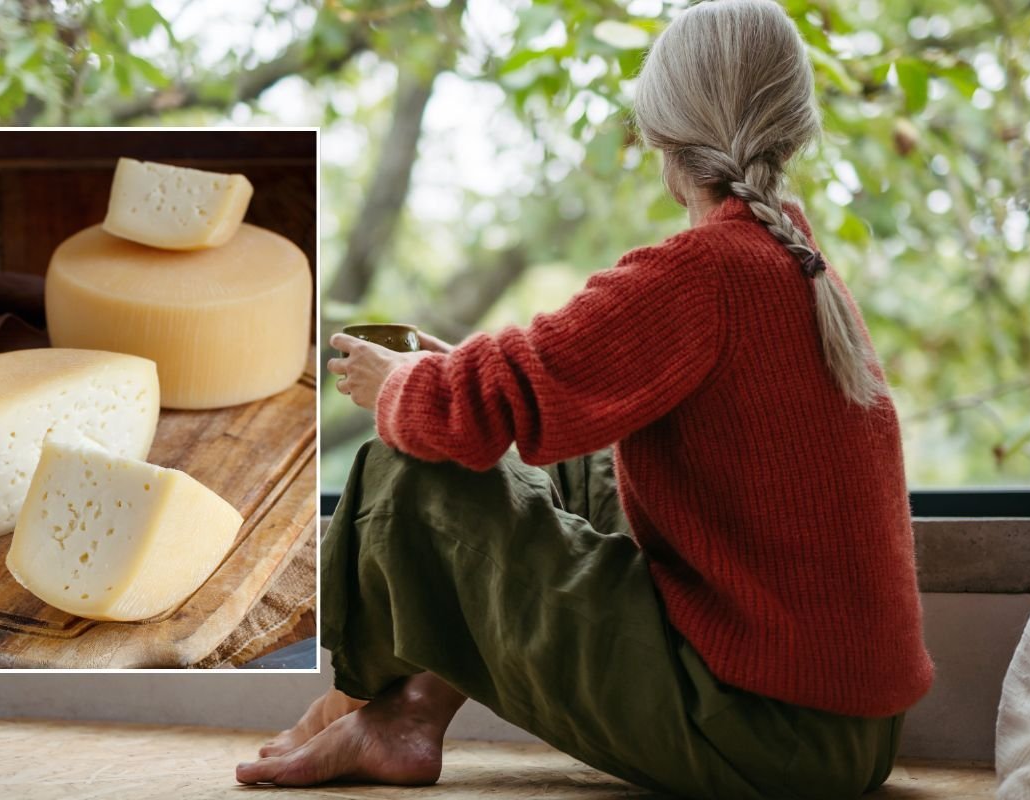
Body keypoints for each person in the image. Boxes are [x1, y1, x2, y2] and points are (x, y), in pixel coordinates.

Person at [235, 0, 933, 796]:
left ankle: (348, 704)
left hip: (763, 733)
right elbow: (552, 387)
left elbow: (467, 413)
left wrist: (399, 386)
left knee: (413, 472)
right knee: (587, 466)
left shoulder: (703, 271)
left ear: (662, 133)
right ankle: (412, 715)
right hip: (851, 731)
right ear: (796, 124)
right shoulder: (796, 264)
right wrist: (460, 373)